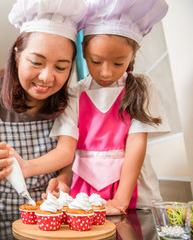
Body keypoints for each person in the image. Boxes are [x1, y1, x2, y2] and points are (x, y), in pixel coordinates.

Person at [0, 0, 87, 238]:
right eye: (37, 62)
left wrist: (63, 177)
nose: (46, 77)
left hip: (45, 215)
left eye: (61, 67)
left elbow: (69, 153)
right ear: (17, 56)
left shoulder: (69, 101)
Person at [47, 0, 170, 215]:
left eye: (118, 63)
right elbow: (71, 148)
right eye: (96, 61)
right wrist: (64, 178)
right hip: (84, 193)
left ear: (134, 54)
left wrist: (120, 200)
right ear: (83, 50)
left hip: (133, 194)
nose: (105, 73)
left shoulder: (141, 87)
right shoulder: (74, 93)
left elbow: (136, 145)